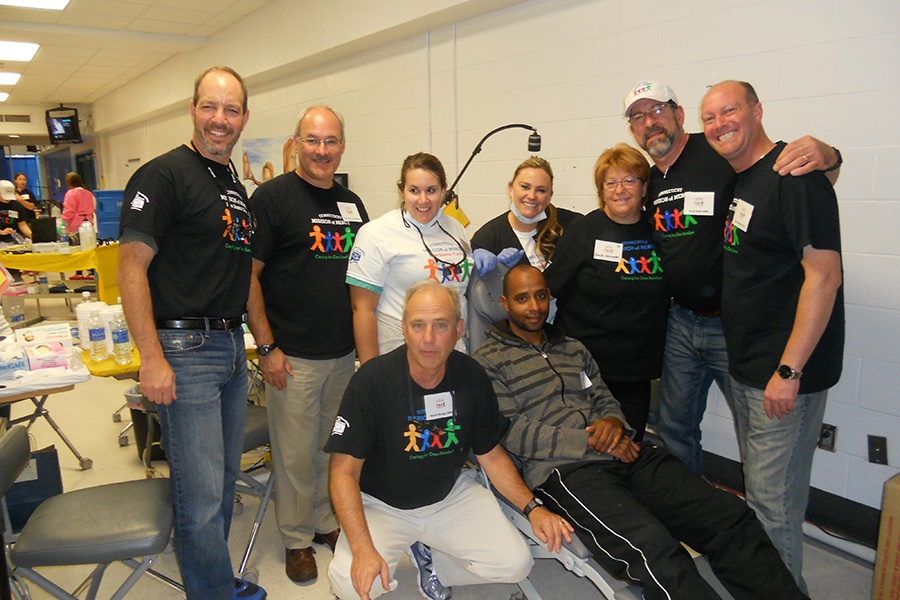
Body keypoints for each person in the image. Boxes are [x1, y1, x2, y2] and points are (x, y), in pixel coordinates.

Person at [474, 264, 809, 600]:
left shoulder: (573, 348)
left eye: (541, 295)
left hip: (627, 452)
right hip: (566, 472)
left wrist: (615, 425)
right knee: (657, 551)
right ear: (505, 303)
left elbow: (603, 397)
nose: (534, 306)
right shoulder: (488, 361)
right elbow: (513, 431)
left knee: (730, 517)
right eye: (522, 298)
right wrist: (593, 441)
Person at [622, 79, 842, 474]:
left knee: (759, 437)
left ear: (679, 115)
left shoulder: (717, 148)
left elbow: (796, 179)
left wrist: (830, 155)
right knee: (675, 427)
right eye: (638, 117)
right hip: (681, 323)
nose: (649, 123)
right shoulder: (650, 179)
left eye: (657, 111)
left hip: (732, 327)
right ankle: (691, 509)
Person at [117, 66, 266, 600]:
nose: (220, 120)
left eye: (231, 110)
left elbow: (240, 271)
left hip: (228, 348)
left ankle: (214, 582)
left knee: (221, 486)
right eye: (210, 107)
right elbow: (131, 267)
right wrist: (151, 356)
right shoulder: (164, 175)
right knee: (200, 494)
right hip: (185, 350)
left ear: (244, 118)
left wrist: (259, 344)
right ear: (193, 109)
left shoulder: (233, 185)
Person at [325, 280, 572, 600]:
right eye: (418, 325)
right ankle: (398, 546)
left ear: (458, 329)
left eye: (440, 325)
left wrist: (532, 508)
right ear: (404, 328)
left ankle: (433, 562)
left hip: (450, 493)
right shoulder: (371, 382)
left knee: (515, 564)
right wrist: (362, 550)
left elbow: (491, 455)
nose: (428, 339)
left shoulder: (472, 376)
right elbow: (343, 473)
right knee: (350, 583)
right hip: (383, 504)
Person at [700, 80, 844, 591]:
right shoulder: (744, 179)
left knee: (773, 507)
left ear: (757, 111)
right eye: (710, 117)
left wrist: (788, 371)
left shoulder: (794, 175)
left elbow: (824, 276)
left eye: (729, 111)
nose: (720, 124)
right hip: (749, 368)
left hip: (780, 378)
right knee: (766, 499)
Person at [247, 105, 369, 584]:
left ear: (342, 145)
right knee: (295, 454)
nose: (322, 151)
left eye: (331, 141)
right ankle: (296, 538)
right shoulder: (272, 198)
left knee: (330, 446)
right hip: (292, 356)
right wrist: (266, 347)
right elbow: (249, 277)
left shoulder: (352, 204)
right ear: (296, 144)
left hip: (341, 353)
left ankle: (323, 521)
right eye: (313, 141)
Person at [543, 144, 669, 439]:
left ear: (644, 186)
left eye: (629, 180)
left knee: (629, 447)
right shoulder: (585, 230)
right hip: (586, 369)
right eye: (610, 183)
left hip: (636, 371)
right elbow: (550, 286)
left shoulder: (658, 231)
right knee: (590, 448)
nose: (619, 190)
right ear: (601, 190)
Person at [347, 152, 480, 363]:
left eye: (431, 190)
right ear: (402, 191)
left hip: (452, 347)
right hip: (400, 350)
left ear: (444, 191)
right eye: (414, 190)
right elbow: (362, 309)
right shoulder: (376, 233)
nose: (423, 200)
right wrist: (369, 370)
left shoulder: (455, 228)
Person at [471, 156, 581, 270]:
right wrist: (498, 272)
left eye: (541, 190)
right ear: (510, 189)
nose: (532, 196)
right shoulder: (487, 238)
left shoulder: (569, 224)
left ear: (550, 196)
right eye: (525, 187)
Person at [61, 172, 95, 236]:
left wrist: (63, 222)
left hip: (75, 226)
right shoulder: (89, 193)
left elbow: (69, 210)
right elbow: (94, 208)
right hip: (89, 224)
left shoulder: (71, 194)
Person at [0, 180, 29, 245]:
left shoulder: (16, 205)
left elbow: (22, 225)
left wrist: (33, 235)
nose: (7, 199)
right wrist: (2, 232)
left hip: (14, 240)